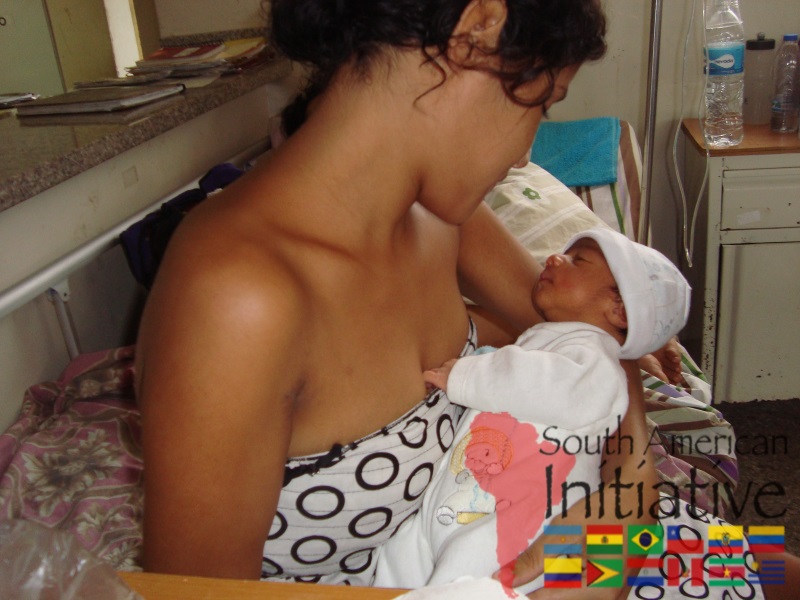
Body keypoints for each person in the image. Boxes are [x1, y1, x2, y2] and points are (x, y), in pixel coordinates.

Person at [135, 0, 661, 593]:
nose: (523, 156)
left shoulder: (441, 217)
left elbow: (593, 340)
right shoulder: (236, 298)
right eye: (543, 104)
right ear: (478, 27)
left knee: (751, 565)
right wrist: (611, 539)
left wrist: (622, 501)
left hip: (509, 558)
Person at [372, 227, 691, 594]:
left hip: (517, 519)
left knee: (469, 579)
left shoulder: (597, 358)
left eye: (577, 261)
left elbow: (543, 383)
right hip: (460, 501)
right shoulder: (553, 339)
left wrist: (466, 374)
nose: (554, 258)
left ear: (619, 309)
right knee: (398, 561)